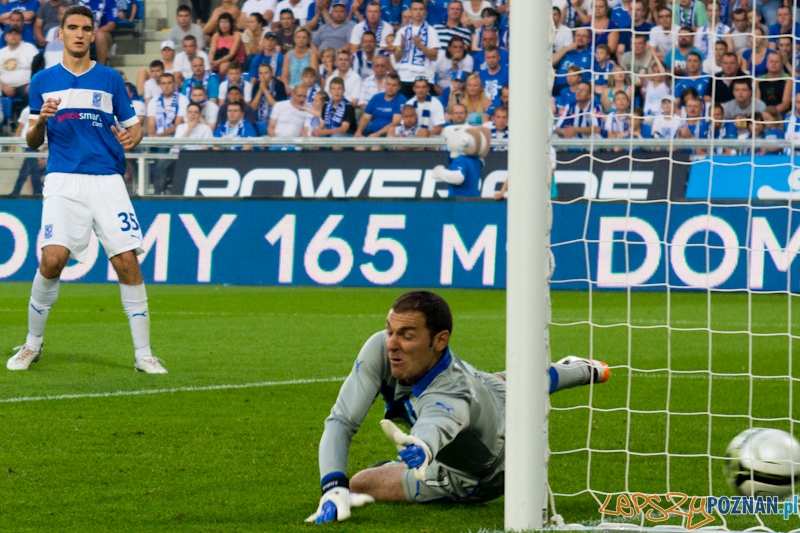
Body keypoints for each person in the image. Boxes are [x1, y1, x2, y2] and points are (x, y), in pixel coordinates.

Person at [9, 5, 166, 374]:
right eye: (73, 28)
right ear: (60, 34)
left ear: (94, 34)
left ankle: (143, 353)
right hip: (63, 180)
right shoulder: (43, 82)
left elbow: (135, 126)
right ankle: (32, 344)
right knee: (52, 260)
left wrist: (134, 135)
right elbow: (32, 142)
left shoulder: (110, 79)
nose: (80, 34)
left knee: (127, 262)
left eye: (86, 28)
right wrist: (40, 122)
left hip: (107, 179)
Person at [391, 0, 440, 98]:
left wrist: (421, 46)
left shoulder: (431, 31)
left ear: (425, 11)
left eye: (421, 9)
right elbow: (396, 58)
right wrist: (402, 46)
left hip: (424, 77)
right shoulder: (402, 31)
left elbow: (434, 56)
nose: (418, 12)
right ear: (410, 11)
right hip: (405, 77)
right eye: (415, 9)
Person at [355, 71, 405, 138]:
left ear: (399, 87)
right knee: (359, 146)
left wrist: (377, 134)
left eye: (394, 85)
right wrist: (359, 132)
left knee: (375, 148)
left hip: (386, 135)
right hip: (371, 132)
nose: (390, 87)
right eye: (388, 84)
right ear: (384, 84)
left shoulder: (401, 100)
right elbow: (365, 117)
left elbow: (395, 123)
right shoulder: (376, 97)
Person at [0, 25, 38, 99]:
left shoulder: (30, 48)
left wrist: (32, 84)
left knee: (33, 92)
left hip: (25, 86)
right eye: (10, 34)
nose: (13, 36)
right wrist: (4, 88)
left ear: (20, 37)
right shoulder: (1, 52)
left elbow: (38, 68)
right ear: (5, 38)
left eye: (16, 34)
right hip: (4, 87)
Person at [552, 28, 592, 95]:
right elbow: (551, 62)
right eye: (578, 35)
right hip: (557, 87)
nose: (580, 38)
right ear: (574, 37)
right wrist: (566, 49)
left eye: (583, 36)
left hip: (577, 89)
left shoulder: (592, 54)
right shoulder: (567, 51)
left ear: (589, 39)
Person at [209, 12, 244, 77]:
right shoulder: (216, 36)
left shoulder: (236, 35)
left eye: (226, 22)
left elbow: (231, 54)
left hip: (235, 61)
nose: (223, 24)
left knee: (223, 67)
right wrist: (211, 61)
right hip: (218, 60)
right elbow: (212, 51)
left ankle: (223, 85)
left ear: (231, 24)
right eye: (221, 22)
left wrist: (218, 62)